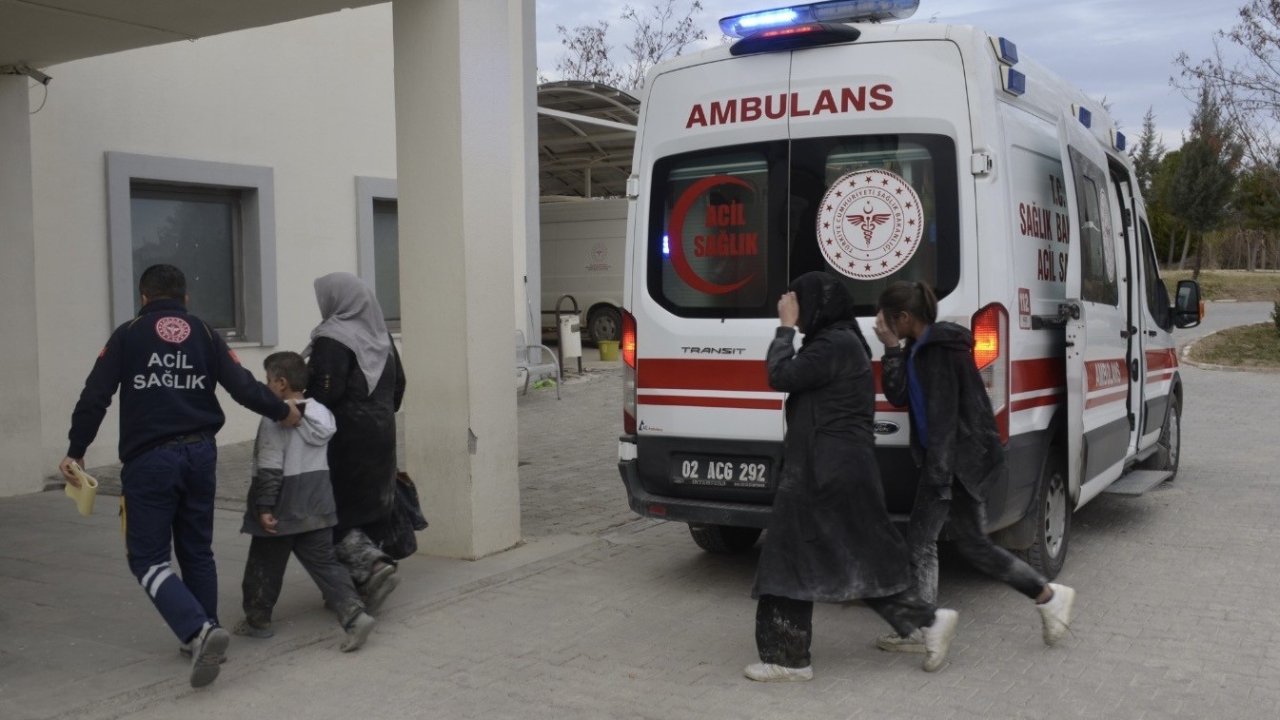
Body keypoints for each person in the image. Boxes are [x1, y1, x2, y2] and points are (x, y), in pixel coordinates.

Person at [58, 264, 301, 689]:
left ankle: (199, 631)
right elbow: (243, 386)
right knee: (196, 550)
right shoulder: (205, 332)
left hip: (150, 460)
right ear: (185, 299)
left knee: (146, 558)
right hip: (201, 454)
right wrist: (283, 410)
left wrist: (76, 450)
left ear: (143, 296)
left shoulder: (128, 334)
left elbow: (95, 395)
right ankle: (205, 635)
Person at [747, 271, 960, 682]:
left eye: (801, 303)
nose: (796, 309)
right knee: (864, 559)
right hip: (840, 470)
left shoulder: (835, 345)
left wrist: (784, 328)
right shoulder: (841, 342)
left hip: (822, 472)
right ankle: (929, 623)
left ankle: (788, 658)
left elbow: (780, 375)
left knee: (788, 557)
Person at [872, 280, 1076, 654]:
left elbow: (947, 420)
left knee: (926, 541)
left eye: (885, 318)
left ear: (904, 316)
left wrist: (939, 477)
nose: (879, 323)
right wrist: (890, 349)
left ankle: (924, 626)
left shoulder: (944, 352)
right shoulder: (917, 348)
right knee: (964, 545)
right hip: (948, 463)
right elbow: (899, 394)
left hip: (956, 464)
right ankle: (1047, 597)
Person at [234, 352, 377, 652]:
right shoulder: (322, 413)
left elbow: (270, 465)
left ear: (282, 384)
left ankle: (257, 620)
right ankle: (354, 613)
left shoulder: (277, 416)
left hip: (283, 507)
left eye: (268, 380)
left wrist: (264, 507)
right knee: (326, 564)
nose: (266, 385)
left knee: (264, 566)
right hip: (319, 504)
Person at [305, 272, 407, 612]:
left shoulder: (333, 338)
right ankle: (361, 582)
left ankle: (373, 568)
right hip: (382, 434)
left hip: (345, 438)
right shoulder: (382, 337)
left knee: (335, 510)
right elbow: (399, 387)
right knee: (371, 506)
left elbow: (325, 393)